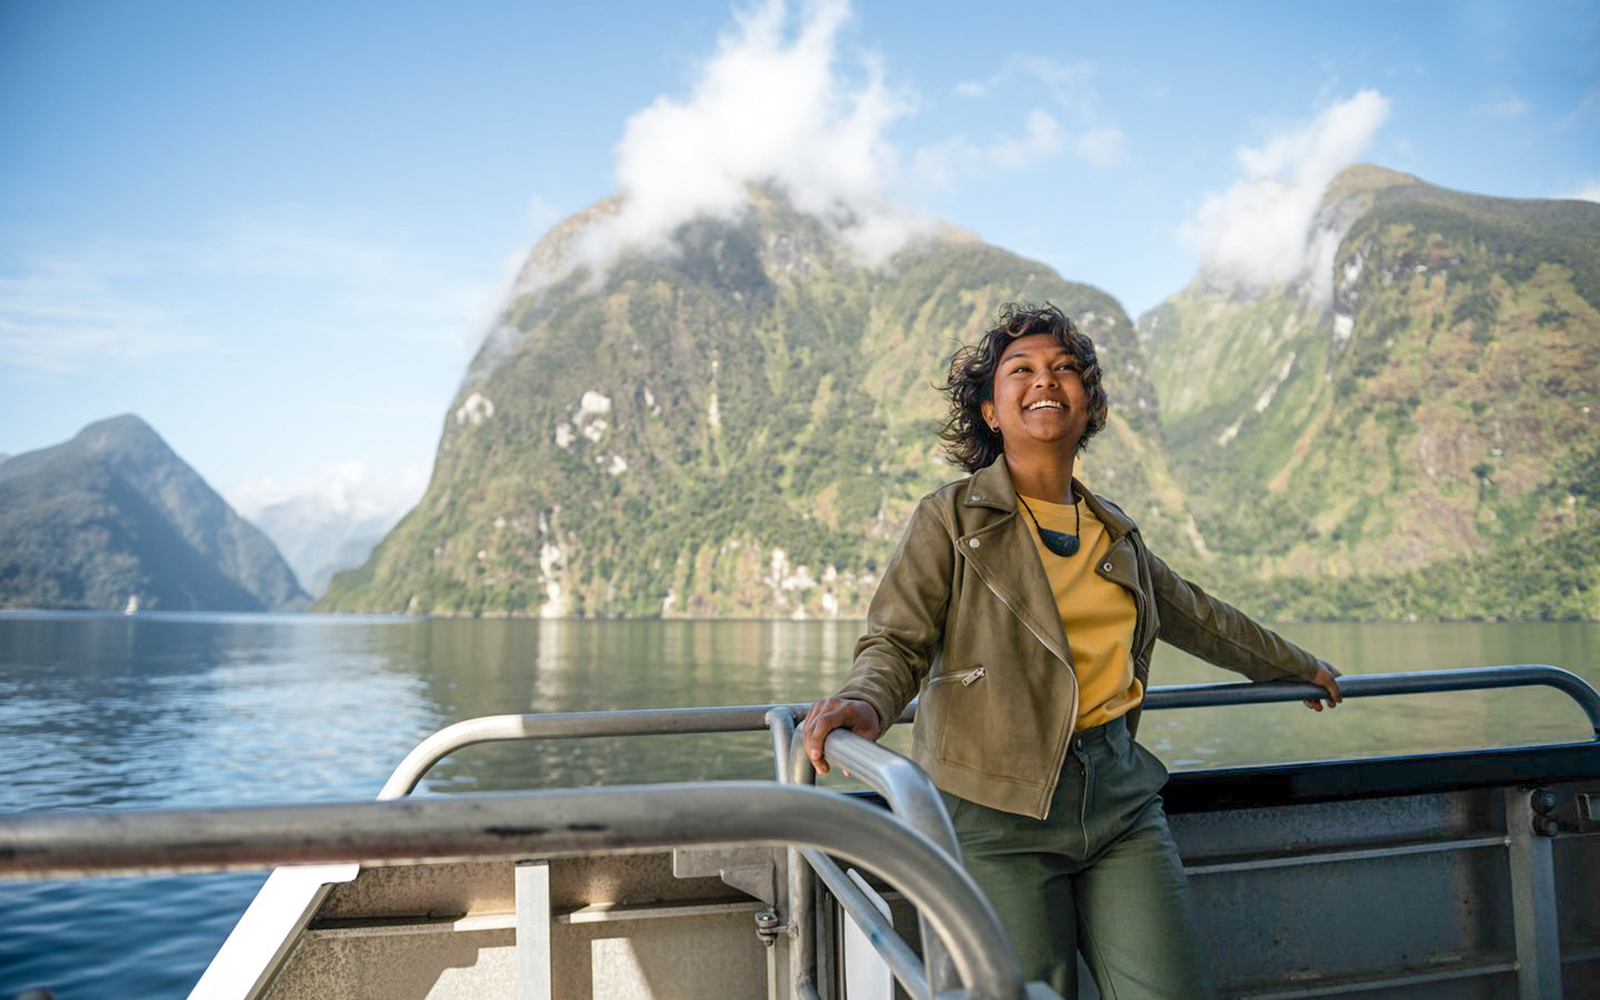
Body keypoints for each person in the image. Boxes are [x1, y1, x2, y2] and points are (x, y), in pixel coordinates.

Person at [801, 303, 1343, 1000]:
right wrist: (863, 702)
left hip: (1119, 802)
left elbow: (1206, 621)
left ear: (1088, 405)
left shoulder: (1115, 534)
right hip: (995, 810)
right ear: (991, 411)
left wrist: (1300, 666)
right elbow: (896, 641)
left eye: (1065, 368)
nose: (1044, 380)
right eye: (1019, 370)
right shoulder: (951, 518)